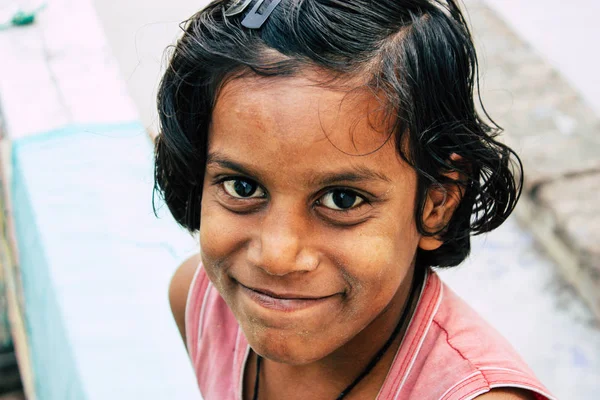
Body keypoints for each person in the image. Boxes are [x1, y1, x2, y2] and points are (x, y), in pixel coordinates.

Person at [155, 1, 555, 399]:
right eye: (242, 187)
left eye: (343, 199)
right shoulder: (199, 303)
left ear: (438, 204)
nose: (277, 256)